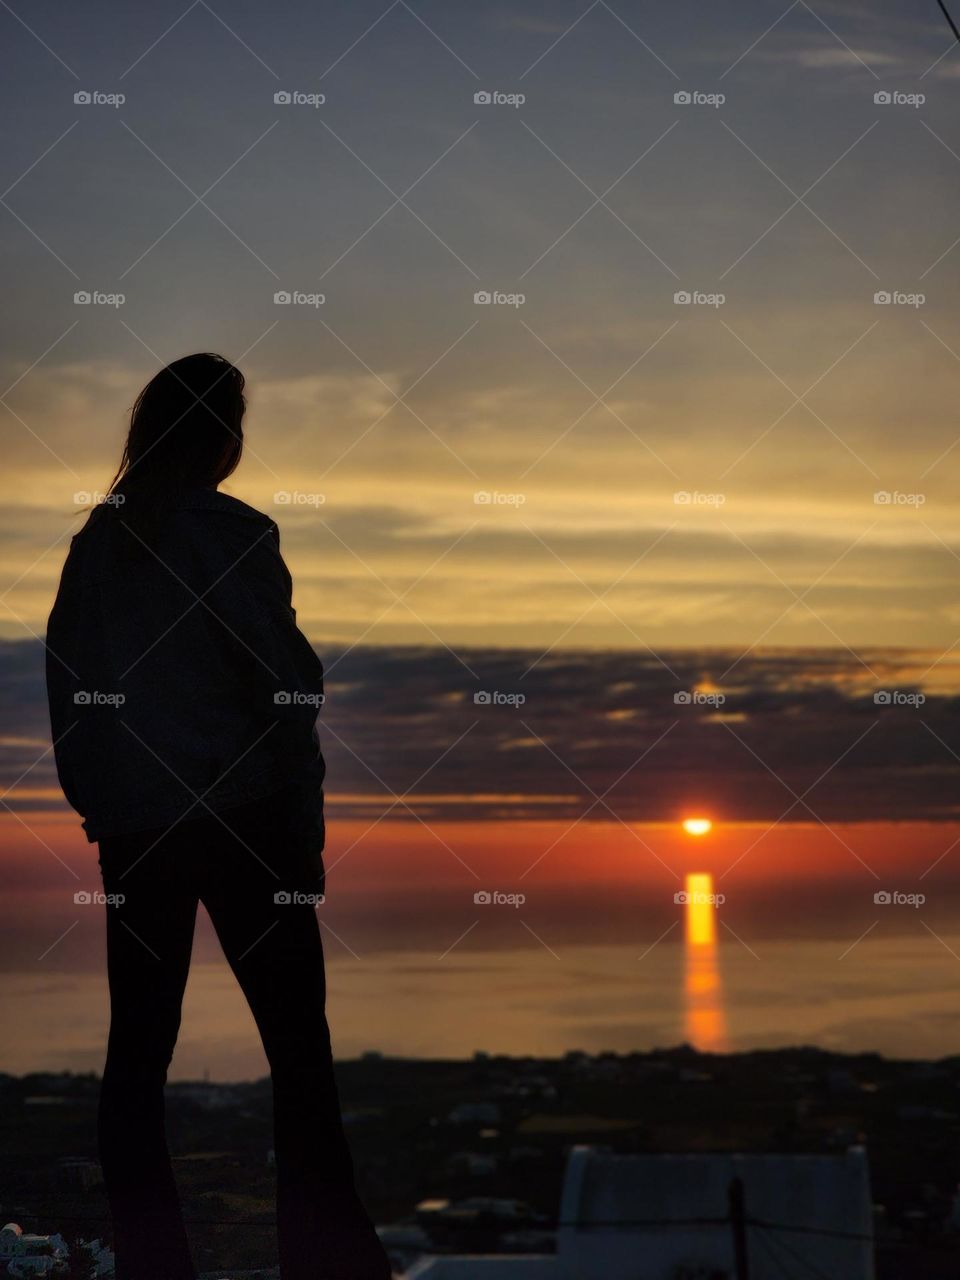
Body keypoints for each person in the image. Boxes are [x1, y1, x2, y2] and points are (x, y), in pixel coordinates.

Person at [45, 353, 391, 1280]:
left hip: (140, 833)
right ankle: (328, 1261)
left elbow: (70, 698)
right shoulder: (232, 534)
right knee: (298, 1055)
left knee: (138, 1057)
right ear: (218, 437)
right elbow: (287, 688)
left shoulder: (99, 546)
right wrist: (302, 832)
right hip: (249, 823)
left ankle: (156, 1265)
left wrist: (108, 814)